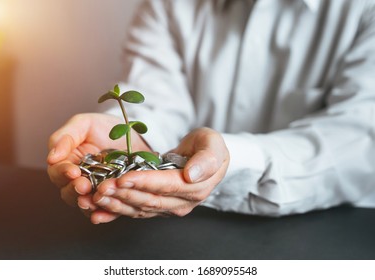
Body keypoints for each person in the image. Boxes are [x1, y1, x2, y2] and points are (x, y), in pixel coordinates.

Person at [47, 0, 375, 224]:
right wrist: (122, 131)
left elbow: (358, 142)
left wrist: (230, 162)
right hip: (179, 232)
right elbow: (154, 102)